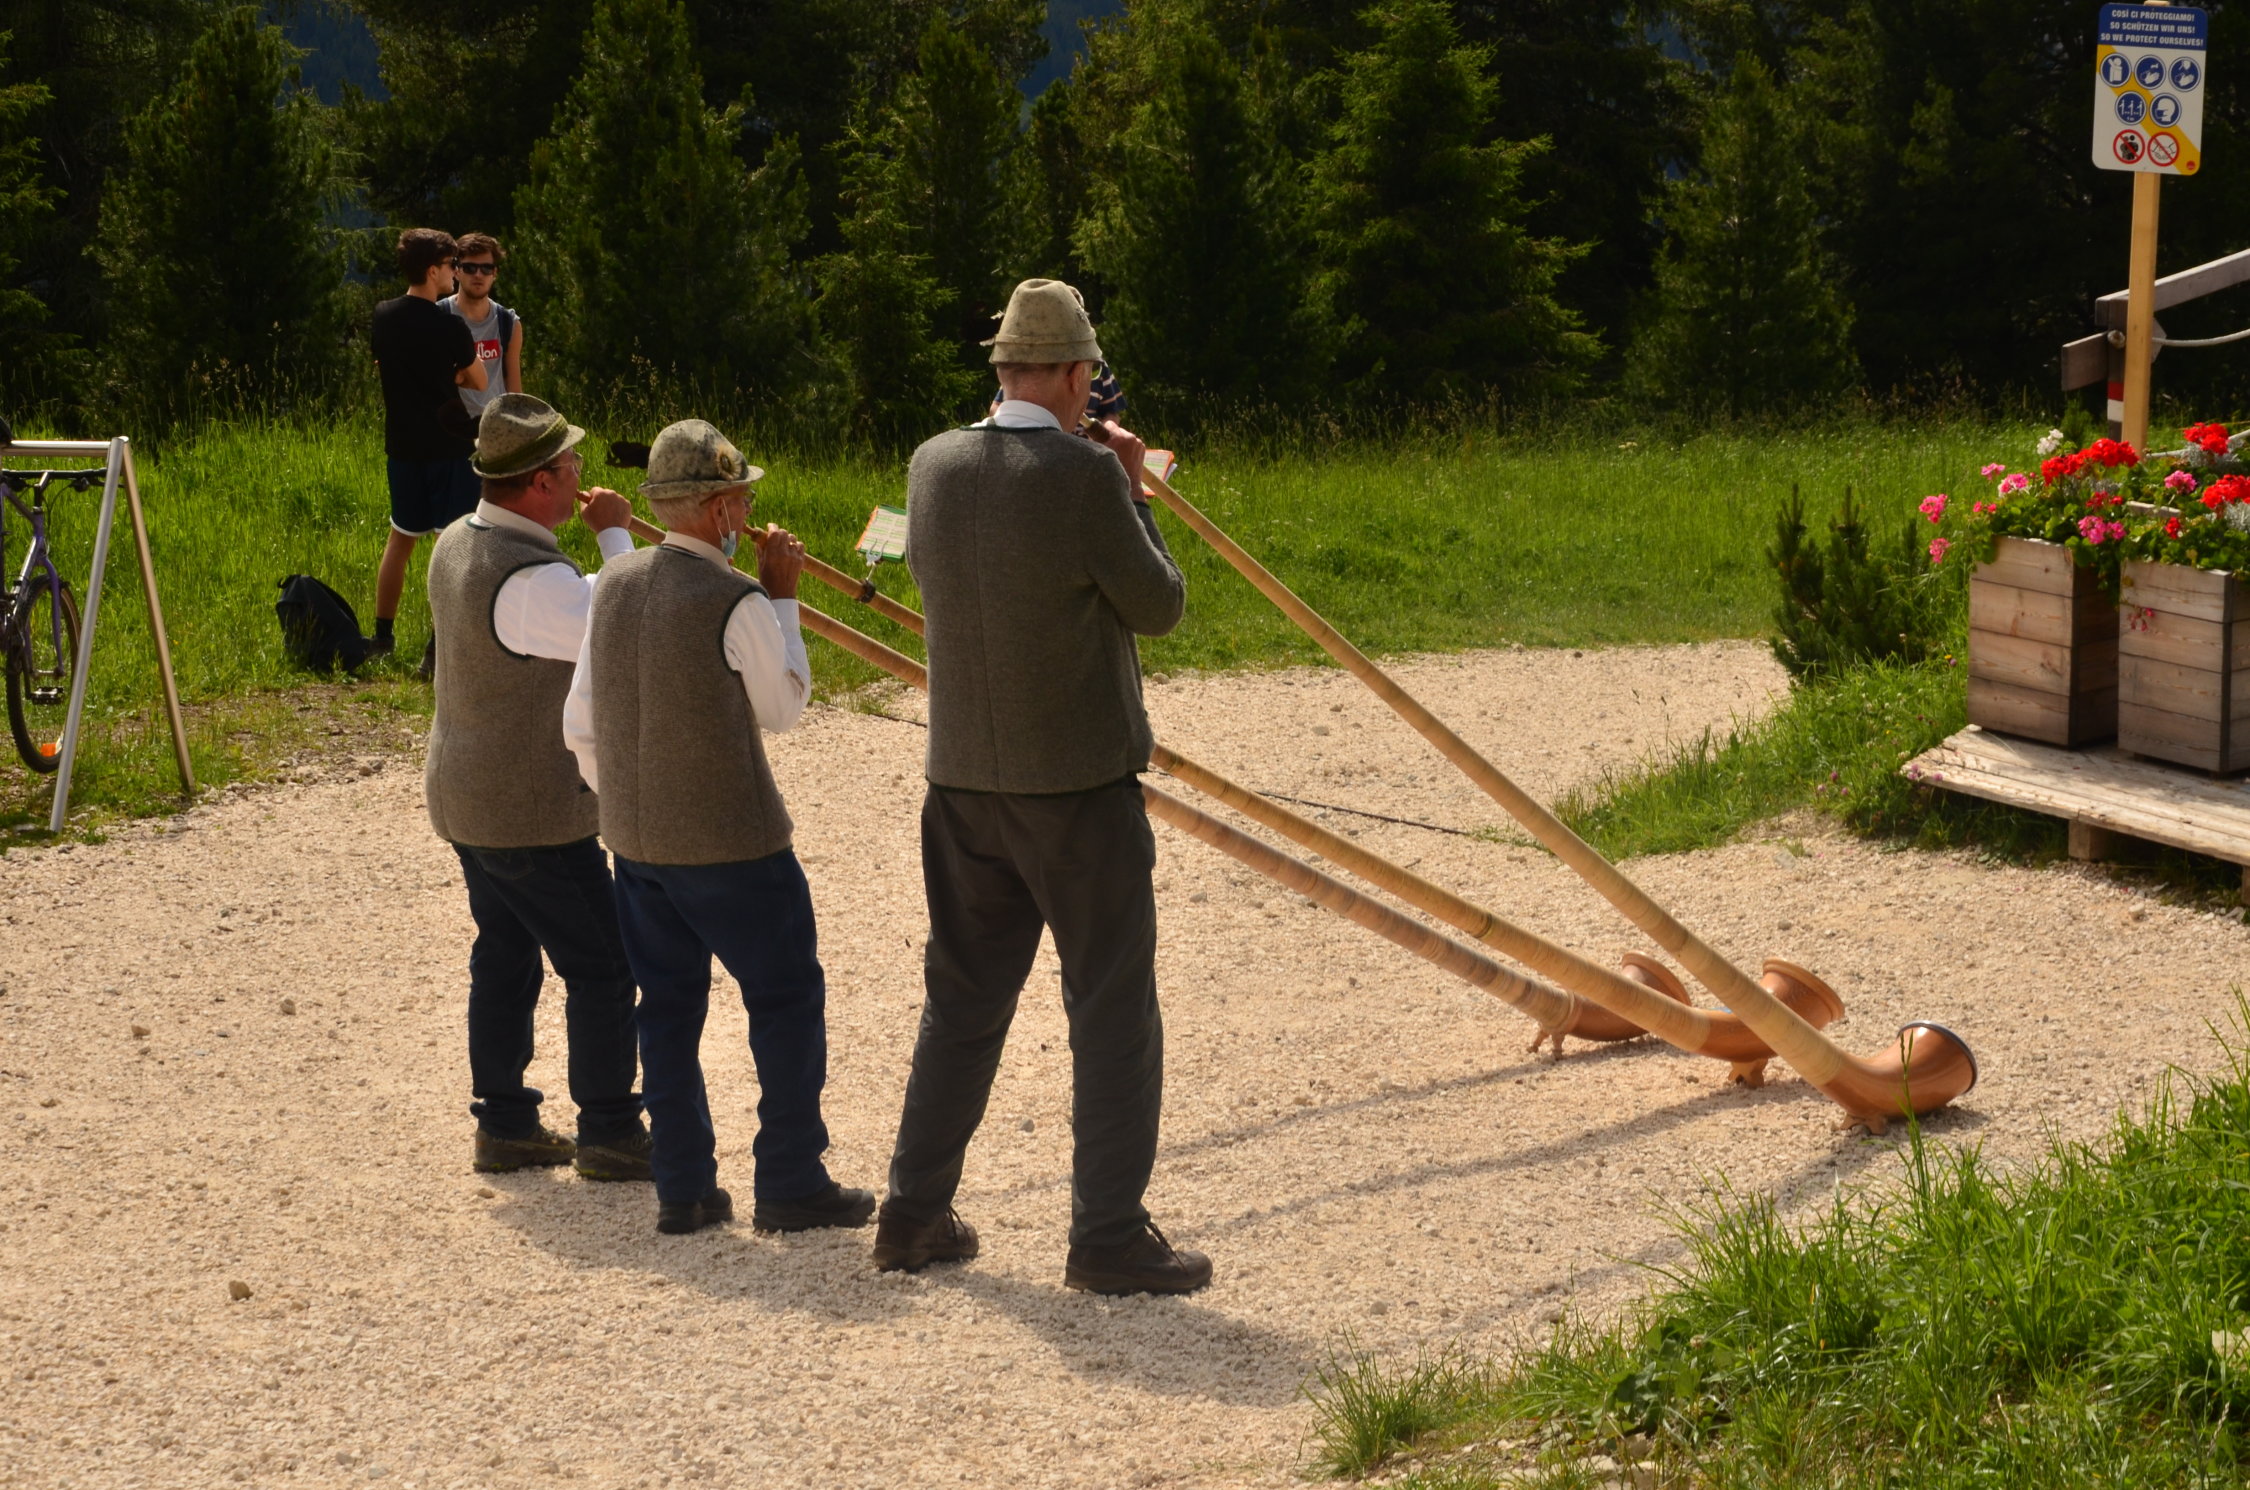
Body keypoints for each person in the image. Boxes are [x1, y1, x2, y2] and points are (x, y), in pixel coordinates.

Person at [873, 279, 1206, 1296]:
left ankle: (911, 1212)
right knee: (1110, 1007)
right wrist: (1134, 488)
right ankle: (1107, 1234)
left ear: (1003, 367)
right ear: (1070, 375)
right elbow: (1160, 606)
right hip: (1076, 784)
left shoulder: (932, 463)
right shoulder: (1084, 475)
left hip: (961, 777)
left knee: (962, 1000)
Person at [562, 419, 874, 1238]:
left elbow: (580, 725)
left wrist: (633, 806)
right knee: (785, 998)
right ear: (719, 509)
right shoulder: (734, 599)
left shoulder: (614, 583)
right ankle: (791, 1179)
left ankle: (684, 1188)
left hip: (638, 843)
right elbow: (785, 707)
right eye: (741, 499)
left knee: (666, 1011)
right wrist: (782, 597)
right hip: (734, 843)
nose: (748, 514)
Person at [423, 393, 652, 1180]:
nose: (582, 472)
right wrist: (616, 532)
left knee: (506, 952)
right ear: (541, 482)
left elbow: (565, 607)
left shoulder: (459, 539)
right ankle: (611, 1129)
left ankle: (506, 1124)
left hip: (466, 793)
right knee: (606, 963)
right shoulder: (531, 579)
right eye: (571, 463)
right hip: (528, 808)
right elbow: (622, 624)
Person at [370, 228, 487, 674]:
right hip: (448, 446)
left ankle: (382, 637)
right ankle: (436, 650)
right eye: (452, 265)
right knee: (449, 548)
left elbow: (382, 364)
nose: (456, 273)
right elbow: (479, 380)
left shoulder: (383, 316)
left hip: (402, 446)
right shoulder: (449, 325)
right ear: (433, 270)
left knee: (400, 539)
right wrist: (451, 375)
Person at [439, 233, 522, 421]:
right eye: (470, 268)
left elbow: (515, 391)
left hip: (496, 427)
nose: (478, 275)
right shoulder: (439, 317)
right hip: (452, 427)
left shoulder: (508, 322)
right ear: (456, 271)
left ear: (495, 273)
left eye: (486, 268)